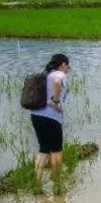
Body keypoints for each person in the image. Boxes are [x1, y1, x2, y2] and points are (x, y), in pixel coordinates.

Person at [30, 53, 71, 181]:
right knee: (56, 150)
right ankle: (56, 181)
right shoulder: (59, 74)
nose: (68, 69)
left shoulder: (45, 74)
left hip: (36, 115)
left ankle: (37, 182)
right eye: (68, 66)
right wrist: (56, 101)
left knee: (43, 150)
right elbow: (58, 82)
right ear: (63, 64)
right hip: (51, 118)